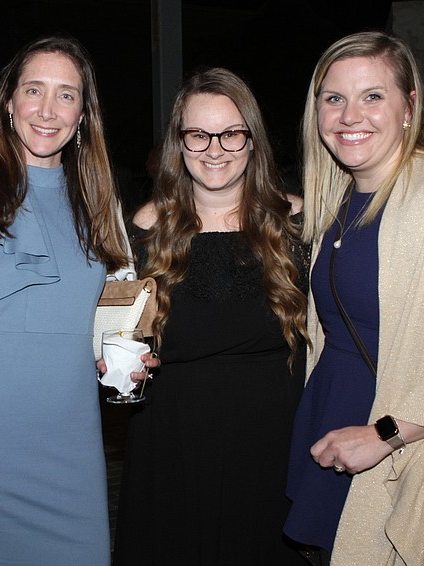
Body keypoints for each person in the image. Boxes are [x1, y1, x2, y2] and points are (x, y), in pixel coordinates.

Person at [0, 35, 156, 566]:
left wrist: (122, 359)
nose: (48, 110)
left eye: (66, 95)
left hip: (73, 443)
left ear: (84, 113)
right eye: (34, 90)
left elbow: (112, 312)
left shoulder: (98, 200)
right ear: (8, 102)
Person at [284, 31, 424, 565]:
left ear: (409, 107)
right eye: (333, 98)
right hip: (336, 432)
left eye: (372, 96)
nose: (349, 114)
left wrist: (386, 433)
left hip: (412, 453)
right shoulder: (339, 196)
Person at [111, 68, 309, 565]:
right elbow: (120, 344)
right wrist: (116, 367)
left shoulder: (301, 223)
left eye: (231, 133)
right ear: (179, 143)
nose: (214, 148)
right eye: (198, 134)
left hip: (272, 448)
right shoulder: (143, 229)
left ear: (252, 140)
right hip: (171, 445)